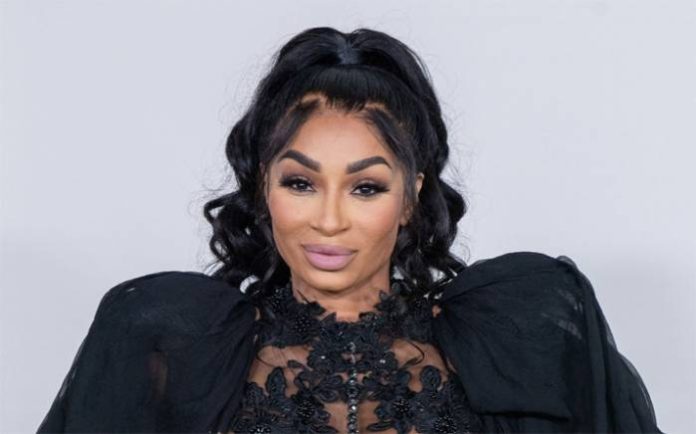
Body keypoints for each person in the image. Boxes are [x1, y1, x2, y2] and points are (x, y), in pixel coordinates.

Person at [36, 27, 663, 434]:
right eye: (300, 182)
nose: (329, 219)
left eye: (366, 187)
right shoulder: (168, 344)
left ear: (411, 195)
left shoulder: (521, 331)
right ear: (263, 187)